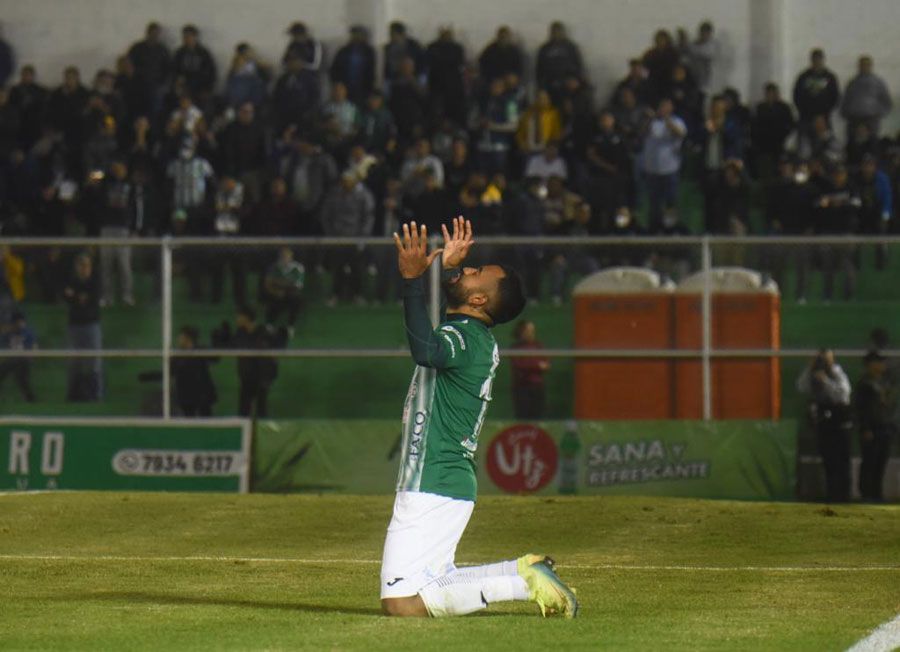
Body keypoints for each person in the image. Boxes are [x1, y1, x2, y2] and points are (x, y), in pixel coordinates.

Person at [381, 216, 577, 619]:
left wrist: (412, 281)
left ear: (479, 301)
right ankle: (523, 570)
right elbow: (433, 331)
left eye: (476, 274)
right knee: (435, 579)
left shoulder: (464, 340)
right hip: (446, 479)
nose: (469, 269)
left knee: (403, 603)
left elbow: (425, 349)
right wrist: (445, 270)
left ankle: (524, 584)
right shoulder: (471, 336)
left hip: (432, 478)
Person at [797, 349, 852, 503]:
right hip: (824, 424)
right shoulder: (813, 375)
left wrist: (826, 380)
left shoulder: (837, 373)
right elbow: (801, 387)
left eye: (826, 359)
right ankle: (832, 495)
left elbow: (843, 395)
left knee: (842, 462)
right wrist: (810, 367)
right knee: (828, 461)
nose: (823, 362)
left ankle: (844, 497)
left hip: (840, 424)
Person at [854, 351, 895, 503]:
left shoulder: (884, 382)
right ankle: (867, 494)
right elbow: (861, 409)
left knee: (880, 463)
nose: (882, 365)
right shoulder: (865, 384)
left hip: (885, 428)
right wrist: (865, 428)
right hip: (872, 429)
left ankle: (877, 494)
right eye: (879, 362)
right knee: (869, 462)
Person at [641, 98, 687, 229]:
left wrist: (666, 120)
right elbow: (642, 133)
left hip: (670, 170)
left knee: (670, 204)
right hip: (652, 171)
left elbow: (680, 133)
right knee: (654, 204)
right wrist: (650, 119)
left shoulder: (677, 121)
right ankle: (653, 229)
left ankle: (671, 230)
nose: (663, 109)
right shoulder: (652, 123)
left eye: (666, 106)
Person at [63, 253, 103, 402]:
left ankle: (96, 396)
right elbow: (67, 296)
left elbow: (91, 298)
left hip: (91, 325)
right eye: (81, 265)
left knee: (94, 362)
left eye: (86, 265)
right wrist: (78, 297)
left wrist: (75, 296)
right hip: (74, 325)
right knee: (73, 362)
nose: (84, 268)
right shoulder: (72, 281)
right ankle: (73, 396)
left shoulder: (95, 282)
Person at [792, 49, 839, 154]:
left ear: (822, 60)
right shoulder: (803, 77)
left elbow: (835, 97)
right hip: (806, 118)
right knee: (804, 149)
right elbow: (797, 97)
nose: (817, 62)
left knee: (825, 146)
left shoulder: (830, 77)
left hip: (824, 119)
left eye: (819, 59)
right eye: (814, 59)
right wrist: (807, 112)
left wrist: (823, 114)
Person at [840, 56, 892, 141]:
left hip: (871, 120)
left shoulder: (878, 83)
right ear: (858, 66)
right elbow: (845, 100)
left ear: (871, 66)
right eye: (862, 65)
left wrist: (879, 114)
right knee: (853, 145)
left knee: (871, 144)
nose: (864, 67)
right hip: (854, 120)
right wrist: (845, 114)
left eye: (866, 65)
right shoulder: (852, 83)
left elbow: (887, 102)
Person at [171, 326, 218, 417]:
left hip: (202, 395)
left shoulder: (201, 351)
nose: (179, 340)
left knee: (206, 420)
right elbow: (171, 371)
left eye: (181, 337)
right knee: (189, 421)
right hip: (186, 396)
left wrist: (216, 341)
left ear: (187, 338)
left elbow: (215, 358)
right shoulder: (178, 356)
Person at [752, 83, 795, 181]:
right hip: (764, 146)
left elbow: (790, 124)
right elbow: (755, 126)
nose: (770, 96)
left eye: (773, 93)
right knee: (765, 172)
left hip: (779, 145)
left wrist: (784, 135)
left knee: (779, 171)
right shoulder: (760, 108)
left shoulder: (784, 108)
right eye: (768, 93)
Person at [510, 320, 549, 420]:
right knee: (523, 416)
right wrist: (536, 365)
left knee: (537, 415)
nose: (531, 333)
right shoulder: (516, 348)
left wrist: (531, 364)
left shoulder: (538, 346)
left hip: (537, 387)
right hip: (522, 387)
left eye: (532, 330)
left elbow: (546, 364)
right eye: (528, 330)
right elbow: (519, 365)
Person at [535, 22, 583, 102]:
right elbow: (539, 71)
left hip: (567, 87)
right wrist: (541, 89)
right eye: (554, 32)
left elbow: (578, 66)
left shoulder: (570, 48)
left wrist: (576, 80)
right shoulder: (544, 49)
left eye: (558, 31)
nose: (556, 34)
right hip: (549, 86)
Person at [330, 26, 376, 106]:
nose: (356, 37)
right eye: (354, 34)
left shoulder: (368, 52)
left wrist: (370, 89)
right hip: (344, 88)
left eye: (359, 34)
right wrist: (337, 84)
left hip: (362, 89)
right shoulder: (343, 51)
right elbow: (335, 69)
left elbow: (370, 72)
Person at [262, 246, 305, 330]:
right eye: (283, 256)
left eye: (287, 256)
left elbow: (298, 286)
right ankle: (269, 324)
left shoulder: (298, 268)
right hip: (276, 291)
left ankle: (290, 326)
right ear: (280, 257)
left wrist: (280, 283)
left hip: (290, 292)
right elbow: (267, 284)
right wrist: (276, 291)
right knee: (271, 298)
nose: (285, 258)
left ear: (291, 257)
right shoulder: (273, 267)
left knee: (296, 300)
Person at [172, 25, 217, 103]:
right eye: (185, 37)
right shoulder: (179, 53)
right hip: (185, 87)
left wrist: (208, 89)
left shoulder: (203, 53)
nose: (187, 39)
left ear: (195, 37)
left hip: (200, 86)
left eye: (189, 36)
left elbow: (211, 72)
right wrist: (177, 83)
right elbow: (174, 70)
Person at [0, 311, 36, 402]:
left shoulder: (27, 332)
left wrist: (31, 356)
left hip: (23, 359)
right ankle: (29, 398)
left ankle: (29, 398)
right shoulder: (9, 333)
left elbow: (33, 346)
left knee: (22, 379)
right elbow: (3, 342)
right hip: (11, 359)